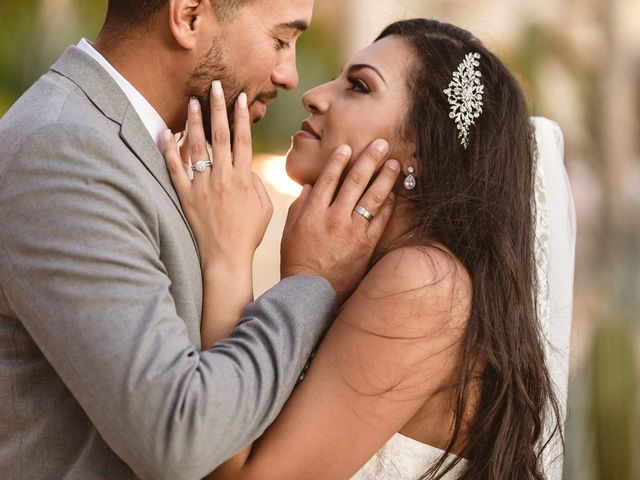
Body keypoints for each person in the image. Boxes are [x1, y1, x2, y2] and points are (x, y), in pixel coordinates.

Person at [0, 1, 401, 479]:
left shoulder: (158, 151)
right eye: (280, 40)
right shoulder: (65, 150)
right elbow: (178, 435)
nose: (291, 76)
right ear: (188, 16)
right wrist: (313, 281)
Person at [163, 18, 576, 479]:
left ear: (422, 147)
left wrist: (231, 254)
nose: (313, 94)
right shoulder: (386, 274)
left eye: (358, 86)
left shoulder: (425, 281)